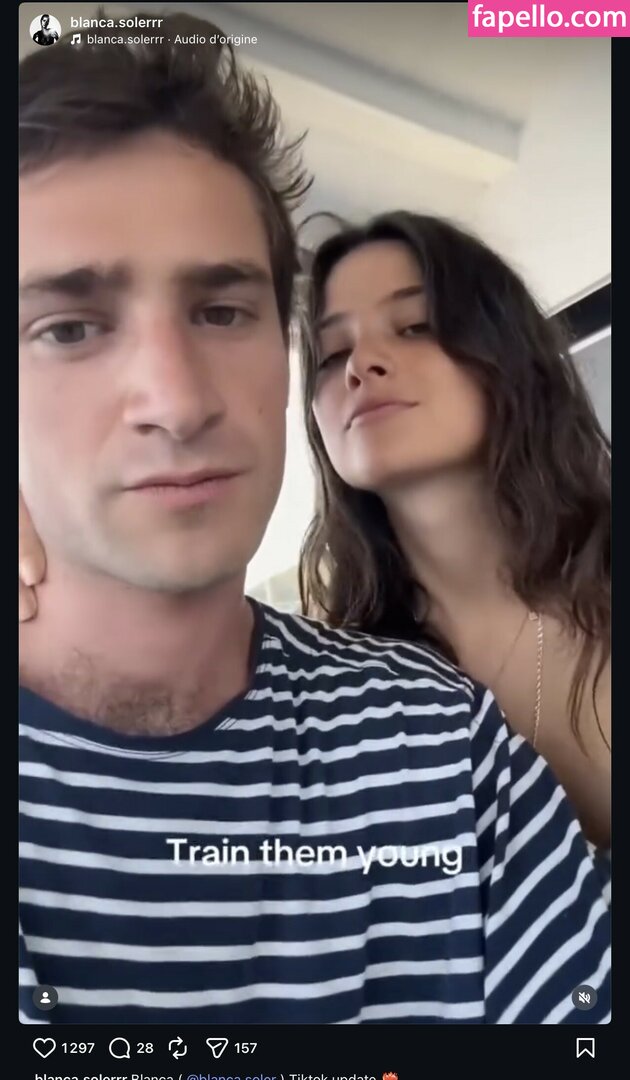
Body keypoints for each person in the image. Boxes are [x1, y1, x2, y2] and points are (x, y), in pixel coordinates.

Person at [18, 11, 610, 1024]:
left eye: (222, 311)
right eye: (69, 327)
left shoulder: (435, 735)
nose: (178, 400)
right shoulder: (370, 634)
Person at [298, 213, 611, 851]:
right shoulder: (340, 695)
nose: (360, 364)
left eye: (414, 326)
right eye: (331, 355)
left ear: (505, 351)